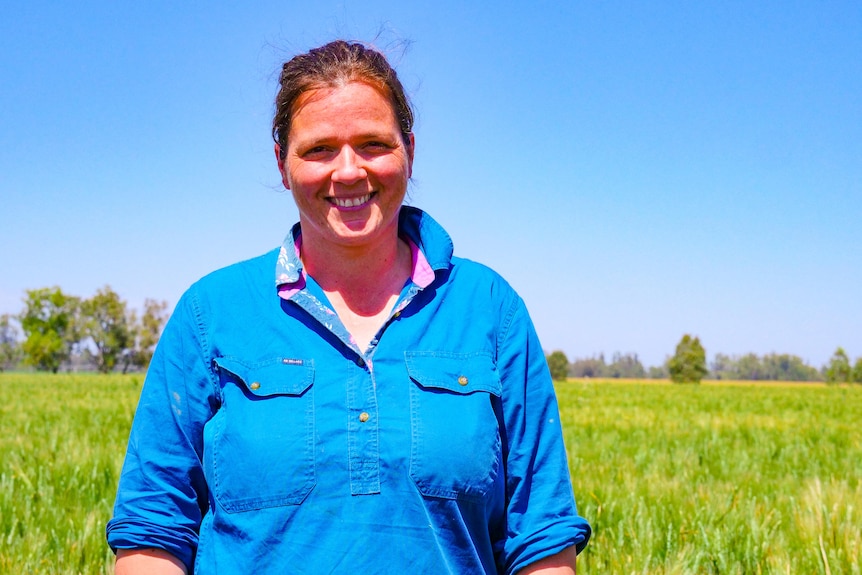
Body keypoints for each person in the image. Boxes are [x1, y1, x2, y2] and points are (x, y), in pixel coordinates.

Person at [106, 40, 591, 574]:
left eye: (373, 144)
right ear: (282, 163)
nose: (349, 172)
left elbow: (542, 540)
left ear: (409, 148)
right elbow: (151, 532)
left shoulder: (489, 308)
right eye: (318, 150)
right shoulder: (211, 313)